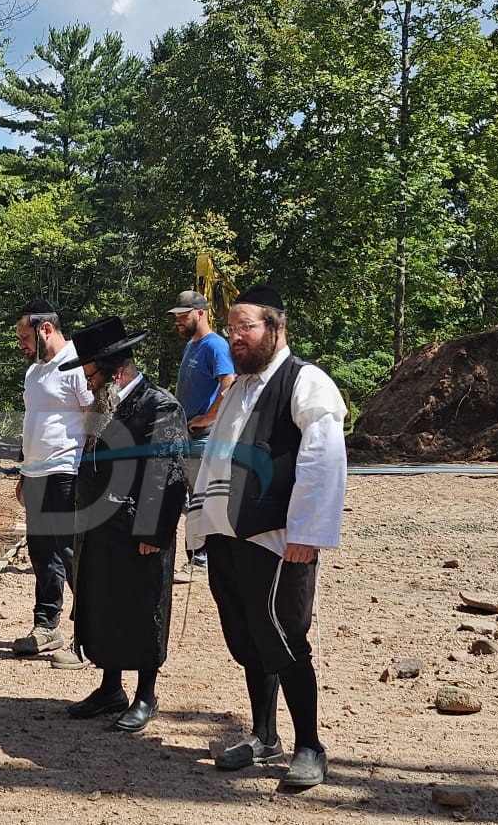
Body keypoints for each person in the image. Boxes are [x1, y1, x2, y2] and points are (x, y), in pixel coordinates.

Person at [184, 285, 348, 791]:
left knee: (285, 637)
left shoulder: (307, 382)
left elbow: (323, 459)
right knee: (249, 638)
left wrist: (308, 533)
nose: (236, 337)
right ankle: (263, 735)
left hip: (279, 537)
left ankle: (310, 747)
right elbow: (217, 457)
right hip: (229, 535)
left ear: (276, 328)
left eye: (246, 327)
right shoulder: (238, 387)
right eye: (231, 328)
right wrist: (201, 525)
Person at [59, 318, 189, 733]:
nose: (87, 384)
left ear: (115, 372)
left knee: (141, 606)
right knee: (103, 603)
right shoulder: (105, 404)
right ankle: (110, 686)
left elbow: (165, 472)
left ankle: (145, 693)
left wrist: (153, 531)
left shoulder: (160, 405)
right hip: (100, 528)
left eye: (91, 375)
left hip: (138, 531)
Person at [15, 298, 93, 656]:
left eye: (25, 335)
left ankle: (92, 627)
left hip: (66, 472)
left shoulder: (77, 364)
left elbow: (95, 419)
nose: (22, 344)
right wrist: (23, 470)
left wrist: (93, 470)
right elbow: (33, 422)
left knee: (69, 551)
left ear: (46, 328)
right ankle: (47, 625)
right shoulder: (35, 372)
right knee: (41, 552)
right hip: (35, 474)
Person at [171, 289, 235, 580]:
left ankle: (201, 559)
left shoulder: (215, 346)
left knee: (202, 496)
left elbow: (228, 383)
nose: (178, 322)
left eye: (183, 316)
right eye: (177, 318)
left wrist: (208, 417)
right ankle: (195, 556)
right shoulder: (191, 346)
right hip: (188, 436)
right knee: (191, 496)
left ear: (201, 313)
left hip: (204, 436)